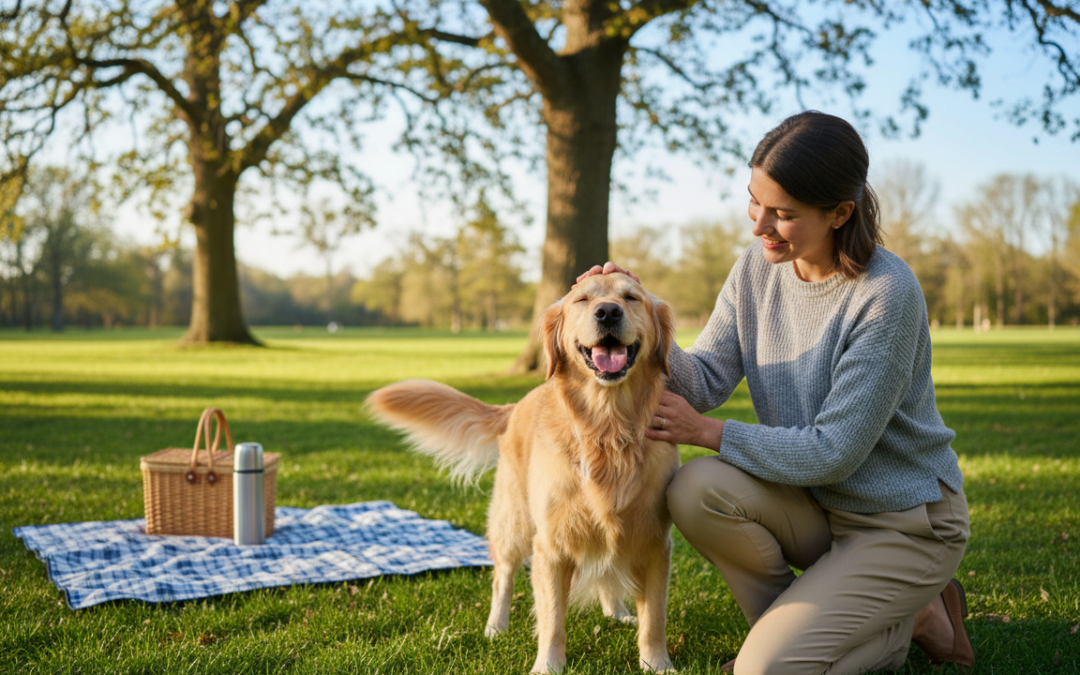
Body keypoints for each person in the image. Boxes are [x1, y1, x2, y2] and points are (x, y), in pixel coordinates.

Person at [577, 111, 972, 675]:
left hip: (901, 521)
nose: (759, 225)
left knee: (765, 670)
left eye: (784, 214)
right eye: (754, 202)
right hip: (816, 506)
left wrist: (710, 433)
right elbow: (707, 376)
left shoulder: (886, 294)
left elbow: (836, 451)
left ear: (840, 213)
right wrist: (639, 310)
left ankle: (910, 619)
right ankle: (845, 619)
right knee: (695, 488)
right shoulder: (757, 268)